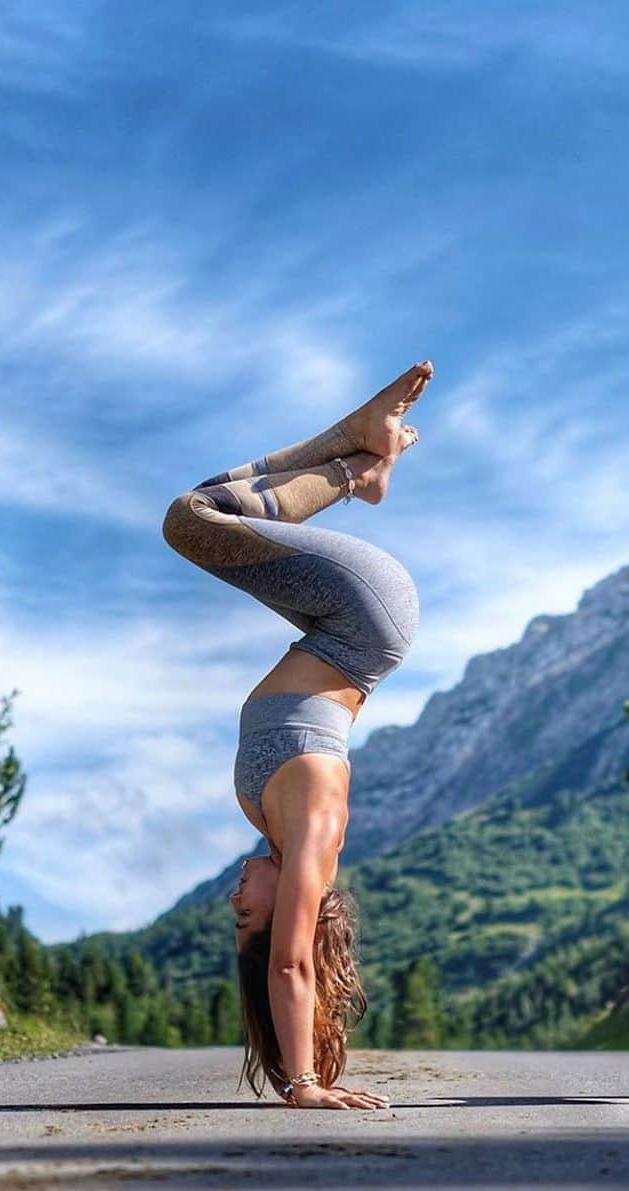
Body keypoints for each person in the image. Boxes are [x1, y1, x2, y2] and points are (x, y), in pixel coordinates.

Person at [161, 361, 431, 1109]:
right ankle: (356, 462)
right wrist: (304, 1082)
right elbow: (290, 967)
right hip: (365, 618)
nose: (234, 896)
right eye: (248, 911)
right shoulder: (315, 828)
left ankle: (363, 458)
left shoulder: (274, 823)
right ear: (286, 913)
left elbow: (281, 962)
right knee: (191, 521)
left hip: (334, 628)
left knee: (203, 512)